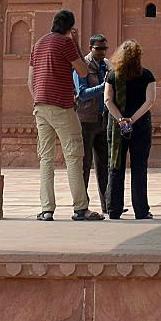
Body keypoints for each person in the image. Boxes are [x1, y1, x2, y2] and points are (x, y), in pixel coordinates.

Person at [29, 9, 99, 221]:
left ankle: (46, 209)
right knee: (74, 156)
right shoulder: (65, 43)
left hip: (40, 106)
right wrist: (75, 42)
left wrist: (39, 100)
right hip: (61, 106)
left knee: (46, 158)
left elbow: (30, 80)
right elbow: (84, 71)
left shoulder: (38, 44)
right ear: (70, 27)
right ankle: (80, 208)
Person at [104, 39, 157, 220]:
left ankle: (114, 209)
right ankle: (141, 210)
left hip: (118, 127)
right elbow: (150, 101)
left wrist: (121, 119)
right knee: (139, 167)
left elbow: (107, 100)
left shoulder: (113, 75)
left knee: (115, 165)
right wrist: (132, 119)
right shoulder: (147, 75)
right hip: (140, 125)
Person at [73, 34, 112, 205]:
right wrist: (104, 87)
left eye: (104, 48)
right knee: (85, 164)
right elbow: (81, 94)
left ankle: (107, 203)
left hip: (103, 119)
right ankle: (82, 203)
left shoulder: (107, 65)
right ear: (90, 48)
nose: (102, 52)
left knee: (104, 164)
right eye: (99, 49)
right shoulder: (83, 67)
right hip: (86, 120)